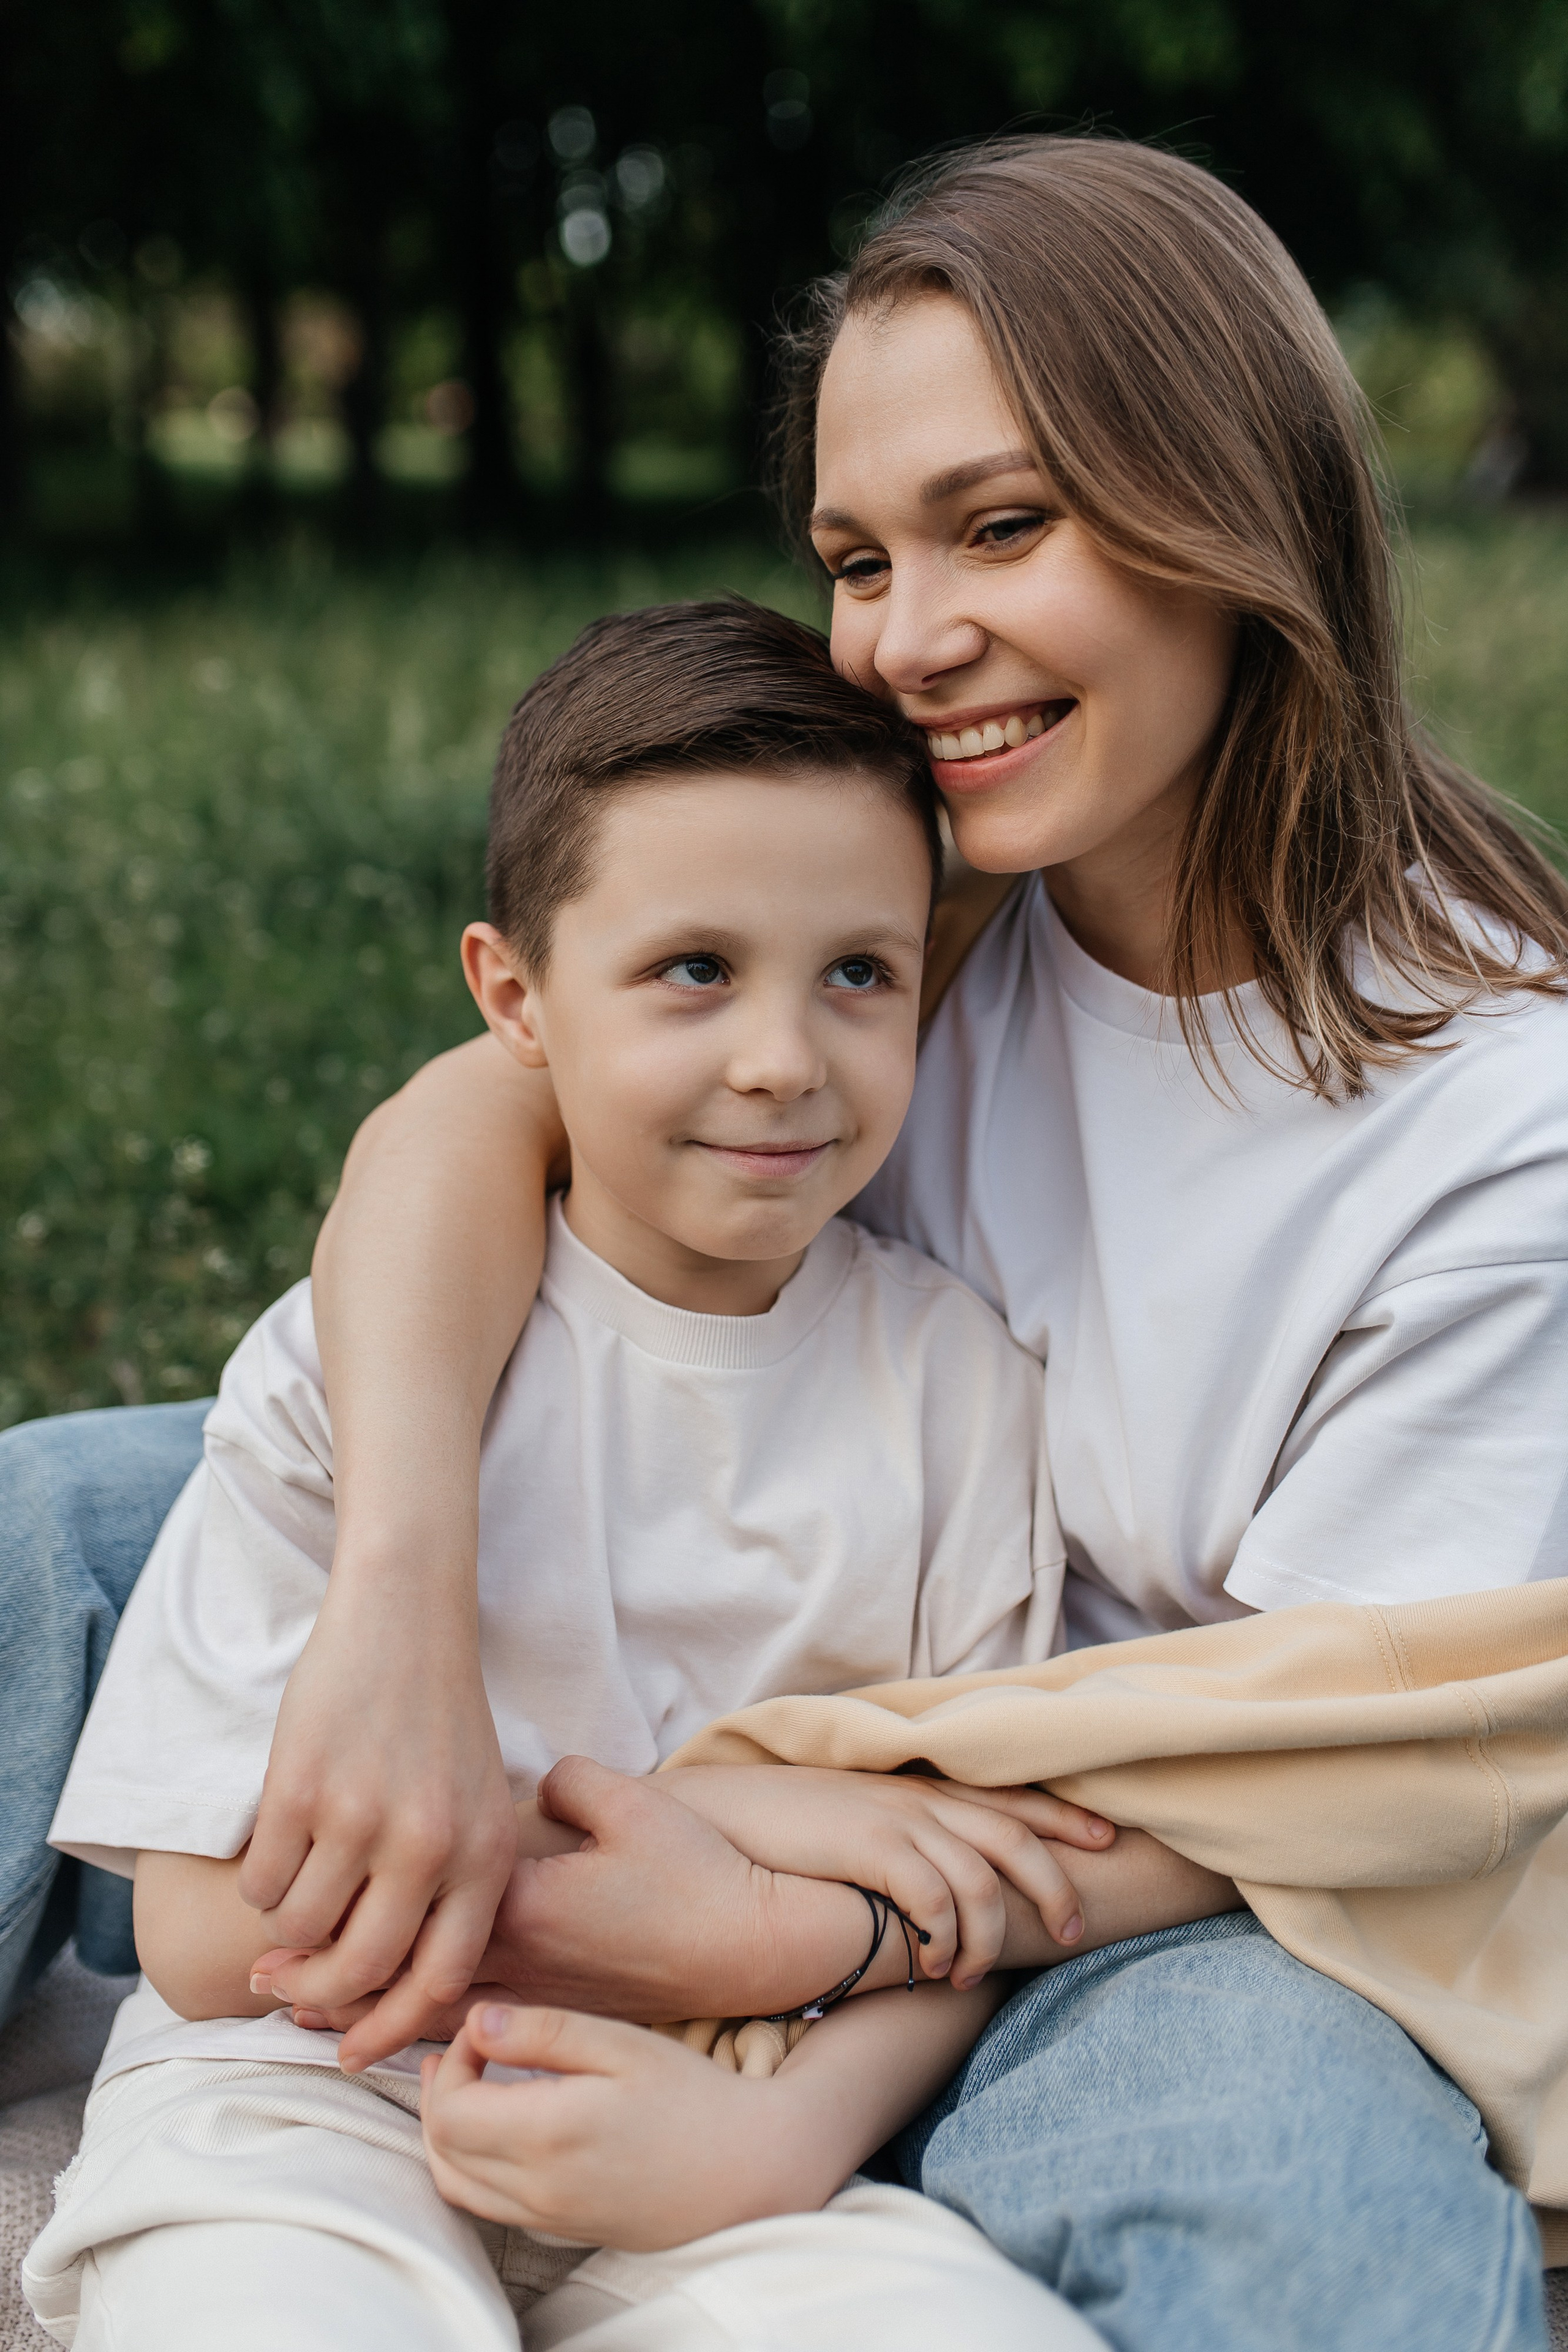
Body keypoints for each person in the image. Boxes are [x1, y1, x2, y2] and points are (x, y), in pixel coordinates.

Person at [2, 127, 1560, 2350]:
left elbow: (1341, 1781)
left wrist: (769, 1941)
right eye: (856, 554)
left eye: (1000, 527)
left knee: (1311, 2208)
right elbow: (476, 1119)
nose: (910, 641)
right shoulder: (923, 910)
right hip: (726, 1585)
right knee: (63, 1516)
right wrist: (405, 1607)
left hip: (1090, 1874)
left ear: (1244, 516)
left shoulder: (1496, 1127)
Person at [23, 597, 1232, 2352]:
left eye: (857, 975)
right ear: (512, 994)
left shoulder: (962, 1395)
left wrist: (779, 2135)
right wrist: (735, 1818)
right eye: (694, 970)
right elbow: (211, 1941)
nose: (781, 1059)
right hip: (300, 2100)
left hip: (721, 2111)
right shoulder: (356, 1366)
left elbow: (972, 1901)